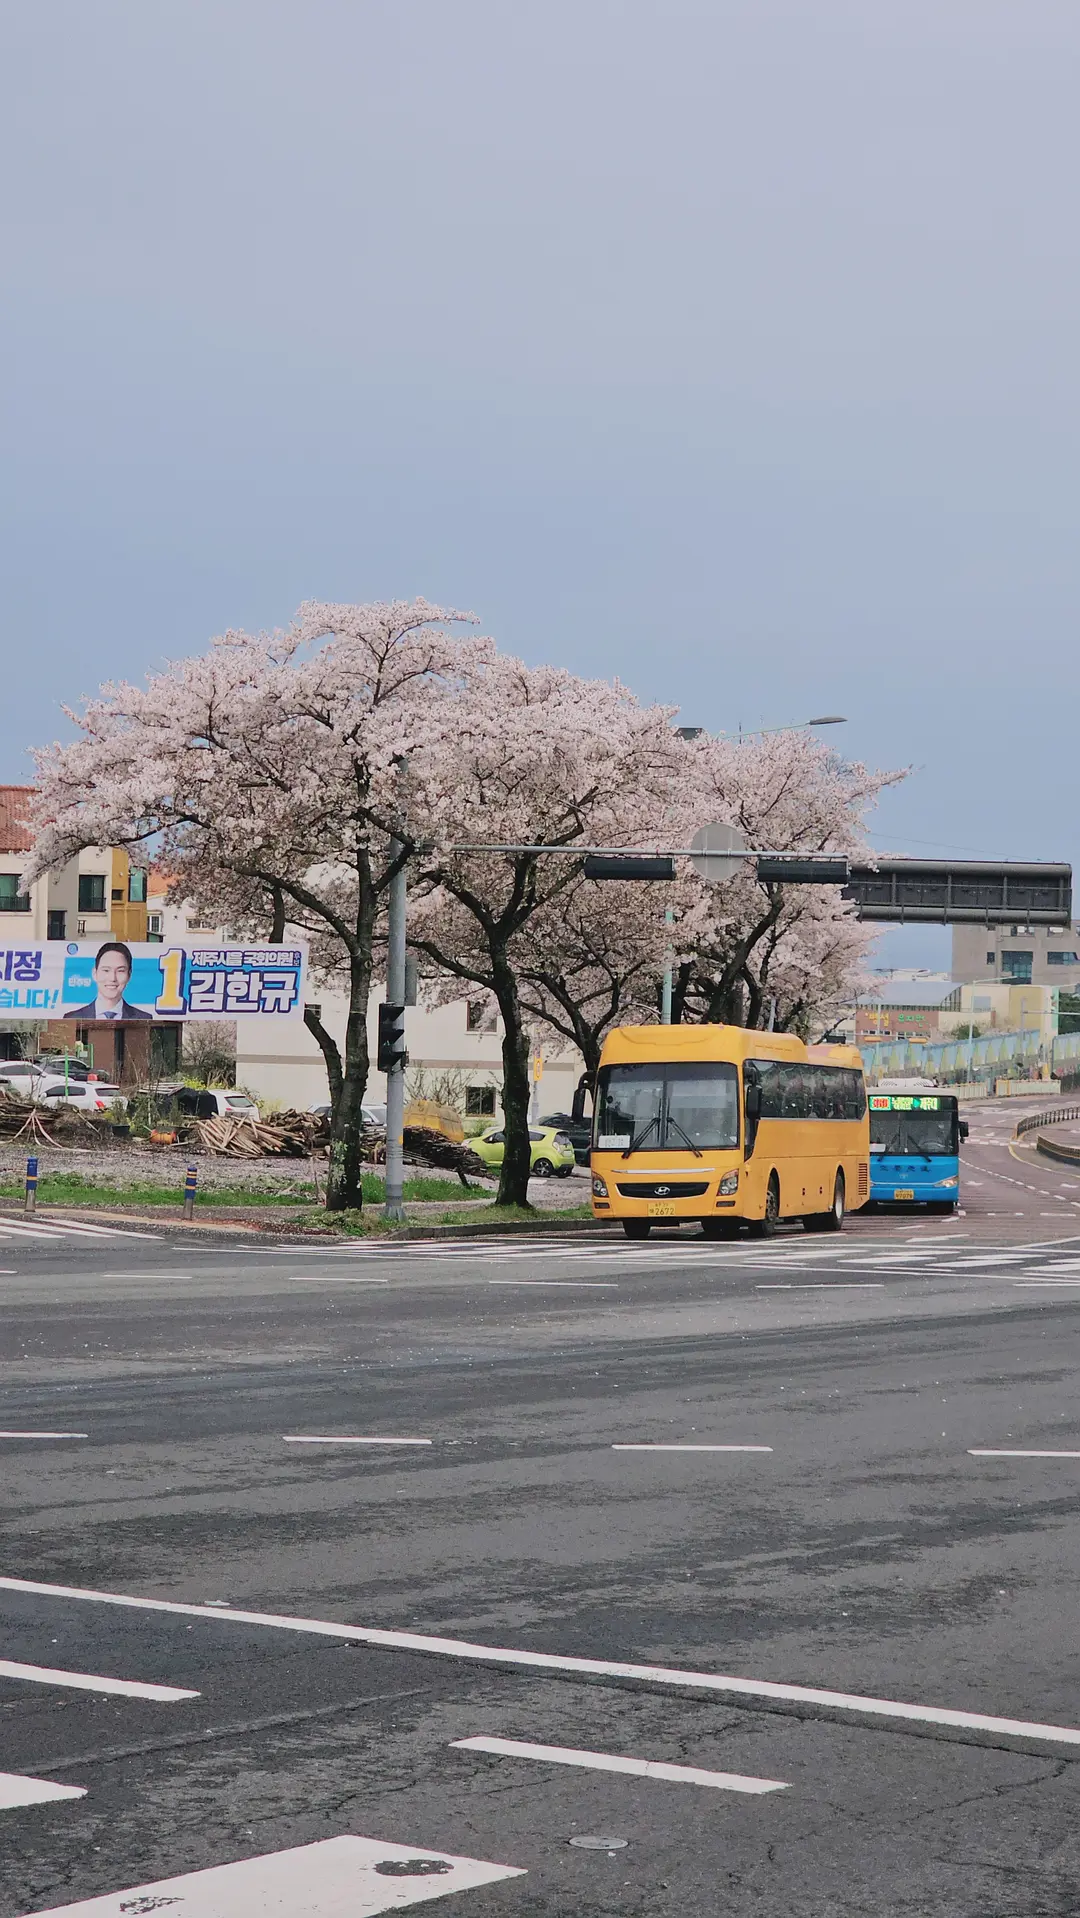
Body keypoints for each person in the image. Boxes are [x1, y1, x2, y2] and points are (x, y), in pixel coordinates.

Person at [67, 941, 152, 1021]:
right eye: (106, 970)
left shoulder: (144, 1019)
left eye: (120, 971)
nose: (112, 978)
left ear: (129, 975)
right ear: (94, 973)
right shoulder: (72, 1018)